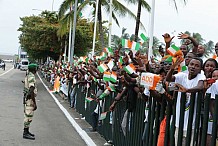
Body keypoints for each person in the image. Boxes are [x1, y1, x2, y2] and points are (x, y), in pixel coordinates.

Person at [166, 57, 206, 146]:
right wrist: (172, 68)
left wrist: (187, 90)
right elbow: (168, 79)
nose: (193, 67)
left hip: (192, 125)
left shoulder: (201, 76)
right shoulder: (182, 75)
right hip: (179, 123)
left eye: (196, 66)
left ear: (200, 69)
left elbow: (200, 87)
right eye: (191, 64)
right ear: (188, 65)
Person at [23, 64, 38, 140]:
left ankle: (27, 131)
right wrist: (34, 103)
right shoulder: (31, 77)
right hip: (30, 99)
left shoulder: (29, 75)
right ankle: (25, 133)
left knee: (28, 116)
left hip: (28, 98)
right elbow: (31, 90)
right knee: (28, 116)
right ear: (34, 69)